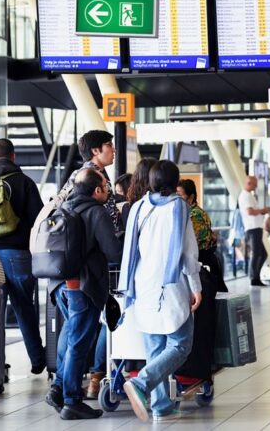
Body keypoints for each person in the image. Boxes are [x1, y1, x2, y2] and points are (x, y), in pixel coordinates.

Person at [119, 160, 202, 423]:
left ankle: (161, 406)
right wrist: (196, 286)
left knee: (155, 347)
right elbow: (188, 252)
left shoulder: (139, 207)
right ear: (174, 181)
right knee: (180, 344)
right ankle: (142, 383)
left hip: (143, 284)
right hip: (171, 284)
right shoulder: (179, 207)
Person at [45, 169, 122, 420]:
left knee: (71, 337)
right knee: (79, 343)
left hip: (58, 285)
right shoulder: (96, 212)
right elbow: (113, 252)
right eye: (105, 187)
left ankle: (58, 389)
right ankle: (71, 401)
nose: (108, 191)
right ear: (96, 190)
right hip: (82, 286)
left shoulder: (63, 207)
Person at [0, 138, 46, 374]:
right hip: (18, 254)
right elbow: (39, 220)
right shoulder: (24, 182)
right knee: (23, 307)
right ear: (13, 156)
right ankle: (38, 359)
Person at [57, 130, 123, 238]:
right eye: (109, 145)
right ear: (95, 150)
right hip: (95, 240)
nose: (114, 150)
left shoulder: (80, 173)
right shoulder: (91, 176)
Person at [239, 176, 270, 287]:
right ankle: (253, 278)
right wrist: (263, 210)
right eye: (255, 184)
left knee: (262, 254)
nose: (256, 186)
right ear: (249, 183)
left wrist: (261, 211)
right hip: (252, 229)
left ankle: (256, 276)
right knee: (257, 254)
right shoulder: (245, 196)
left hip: (256, 228)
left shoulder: (249, 195)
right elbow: (249, 212)